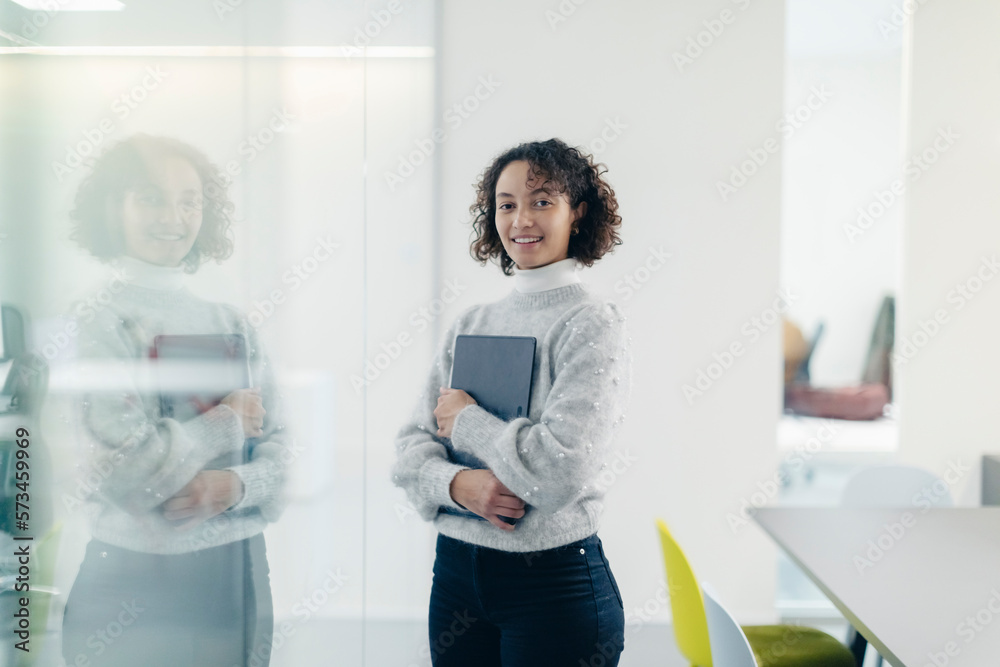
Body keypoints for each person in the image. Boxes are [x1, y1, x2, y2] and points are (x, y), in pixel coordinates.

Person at [392, 138, 633, 666]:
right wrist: (458, 485)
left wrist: (467, 421)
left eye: (542, 201)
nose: (521, 218)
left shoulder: (589, 323)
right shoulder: (472, 323)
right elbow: (410, 449)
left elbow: (558, 471)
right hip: (456, 575)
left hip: (552, 585)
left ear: (578, 214)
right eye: (506, 204)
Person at [61, 134, 289, 667]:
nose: (175, 216)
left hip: (234, 572)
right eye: (151, 197)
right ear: (112, 207)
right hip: (129, 575)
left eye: (190, 201)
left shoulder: (229, 321)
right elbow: (127, 470)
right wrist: (227, 423)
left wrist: (232, 486)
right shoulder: (93, 319)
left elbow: (286, 449)